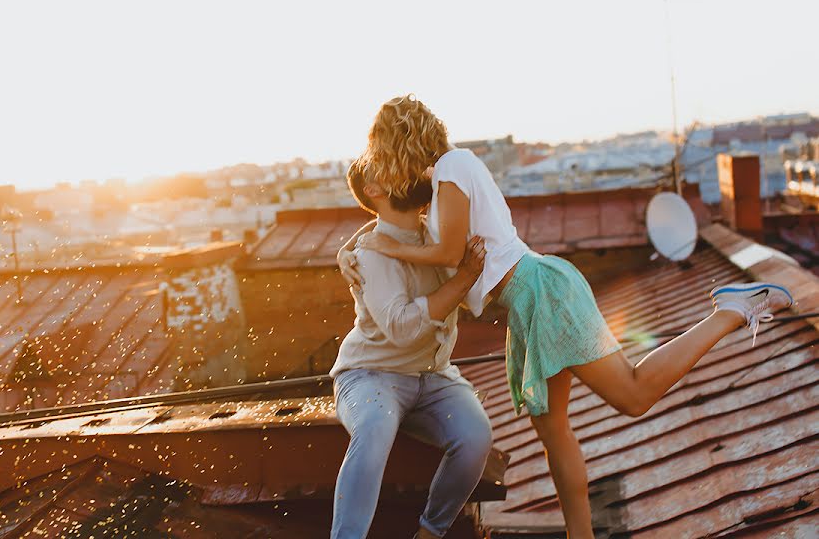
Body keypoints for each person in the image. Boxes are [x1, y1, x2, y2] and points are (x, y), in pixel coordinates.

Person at [338, 94, 794, 538]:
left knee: (631, 395)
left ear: (398, 142)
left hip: (541, 292)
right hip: (527, 303)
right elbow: (398, 222)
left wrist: (380, 245)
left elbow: (448, 251)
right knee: (554, 431)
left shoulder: (455, 166)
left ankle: (731, 310)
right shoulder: (440, 183)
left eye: (380, 147)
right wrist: (354, 246)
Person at [330, 159, 494, 539]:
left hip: (433, 376)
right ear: (374, 189)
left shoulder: (435, 235)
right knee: (373, 426)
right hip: (370, 375)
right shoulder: (369, 253)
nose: (414, 169)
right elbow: (402, 328)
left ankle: (429, 533)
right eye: (394, 163)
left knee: (475, 438)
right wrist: (466, 276)